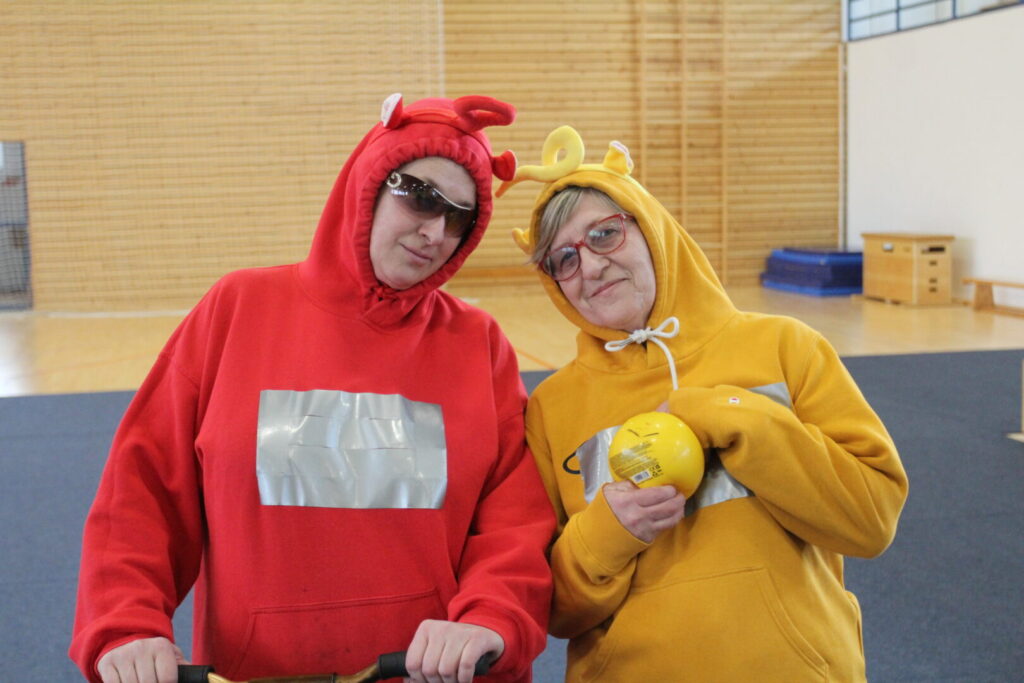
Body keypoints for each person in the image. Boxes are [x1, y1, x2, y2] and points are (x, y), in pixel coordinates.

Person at [69, 94, 556, 683]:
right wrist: (125, 625)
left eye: (459, 217)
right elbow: (142, 492)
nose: (434, 230)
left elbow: (513, 521)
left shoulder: (477, 343)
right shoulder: (236, 309)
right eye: (420, 195)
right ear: (367, 184)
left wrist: (492, 615)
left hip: (428, 675)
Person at [497, 125, 909, 681]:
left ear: (651, 230)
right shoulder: (551, 407)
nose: (589, 267)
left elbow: (870, 520)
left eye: (605, 235)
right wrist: (607, 534)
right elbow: (556, 611)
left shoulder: (786, 347)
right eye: (562, 259)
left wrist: (732, 415)